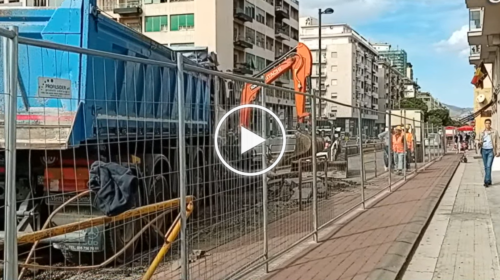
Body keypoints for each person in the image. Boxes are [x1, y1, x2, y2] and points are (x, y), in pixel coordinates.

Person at [476, 119, 500, 187]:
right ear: (484, 124)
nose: (488, 124)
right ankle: (489, 180)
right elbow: (476, 139)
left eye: (489, 123)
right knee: (486, 167)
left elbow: (498, 142)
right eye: (486, 123)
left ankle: (486, 181)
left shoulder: (495, 132)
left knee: (488, 166)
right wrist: (479, 142)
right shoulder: (481, 132)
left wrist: (498, 151)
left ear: (490, 124)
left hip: (491, 151)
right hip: (483, 150)